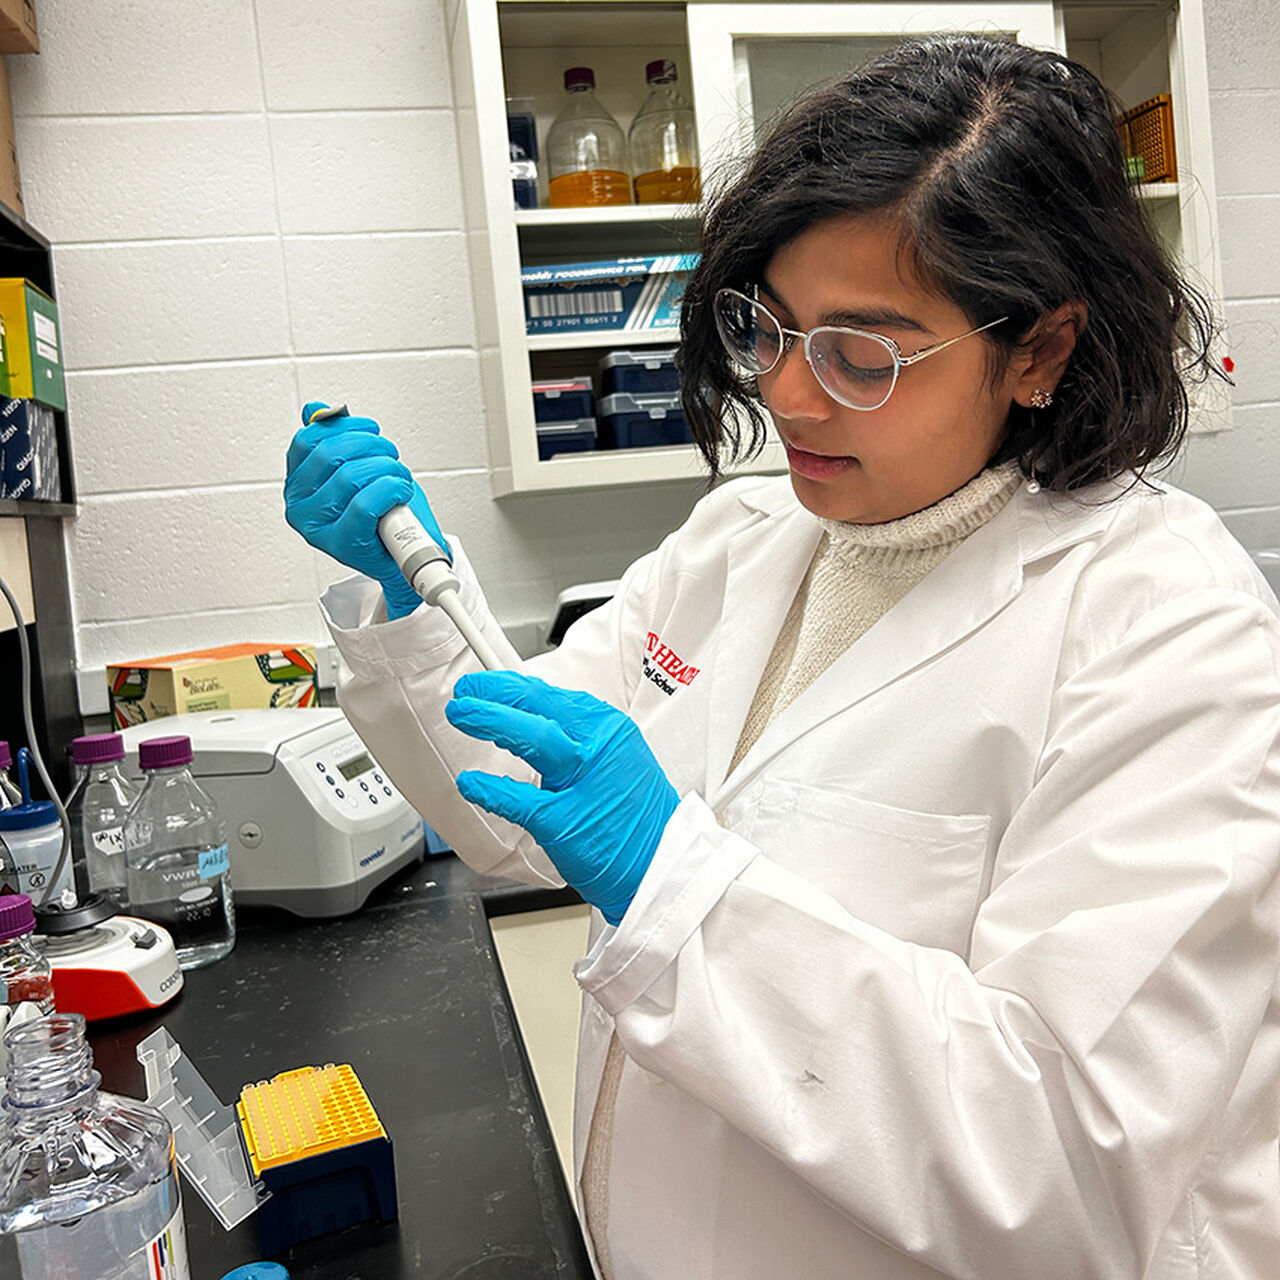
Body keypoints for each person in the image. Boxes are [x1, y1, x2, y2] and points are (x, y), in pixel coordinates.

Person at [283, 35, 1280, 1280]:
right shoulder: (747, 534)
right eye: (769, 326)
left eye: (863, 353)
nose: (791, 397)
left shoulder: (1167, 625)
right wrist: (408, 607)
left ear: (1039, 350)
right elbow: (518, 805)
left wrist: (674, 882)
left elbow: (1061, 1160)